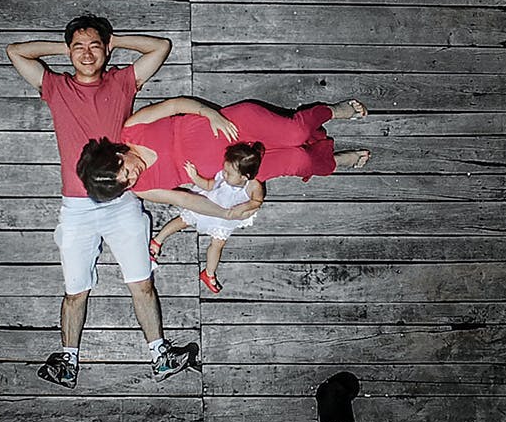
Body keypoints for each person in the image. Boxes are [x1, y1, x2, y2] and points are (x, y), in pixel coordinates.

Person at [6, 15, 235, 388]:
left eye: (94, 46)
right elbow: (15, 51)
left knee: (141, 282)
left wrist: (111, 41)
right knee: (75, 290)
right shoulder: (56, 87)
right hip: (77, 208)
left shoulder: (123, 81)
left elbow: (160, 47)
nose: (87, 54)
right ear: (69, 52)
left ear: (106, 49)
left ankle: (161, 357)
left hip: (122, 201)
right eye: (79, 48)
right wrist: (69, 46)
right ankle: (68, 362)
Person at [75, 98, 372, 288]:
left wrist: (210, 114)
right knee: (300, 161)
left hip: (233, 126)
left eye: (126, 171)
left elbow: (175, 105)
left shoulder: (133, 128)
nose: (133, 176)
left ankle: (334, 111)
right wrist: (226, 213)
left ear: (117, 155)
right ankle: (336, 161)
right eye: (127, 183)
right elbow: (186, 199)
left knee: (296, 133)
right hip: (234, 170)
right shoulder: (143, 188)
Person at [148, 141, 266, 294]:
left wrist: (243, 208)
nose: (224, 174)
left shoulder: (254, 186)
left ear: (245, 177)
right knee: (184, 220)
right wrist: (195, 177)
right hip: (207, 203)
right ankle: (157, 240)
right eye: (224, 169)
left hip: (226, 218)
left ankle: (209, 273)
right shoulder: (224, 175)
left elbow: (257, 201)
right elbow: (209, 185)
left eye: (229, 174)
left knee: (217, 244)